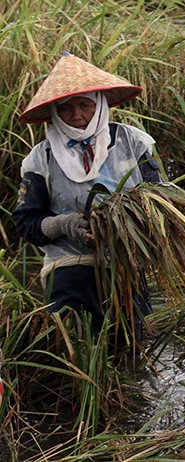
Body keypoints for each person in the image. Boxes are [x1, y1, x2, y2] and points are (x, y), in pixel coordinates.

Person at [12, 52, 162, 341]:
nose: (77, 116)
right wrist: (66, 225)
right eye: (66, 108)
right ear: (55, 112)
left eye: (85, 105)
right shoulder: (40, 158)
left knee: (130, 348)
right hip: (69, 269)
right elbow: (26, 222)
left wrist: (128, 223)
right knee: (76, 348)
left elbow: (160, 200)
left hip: (125, 264)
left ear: (101, 104)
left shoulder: (133, 142)